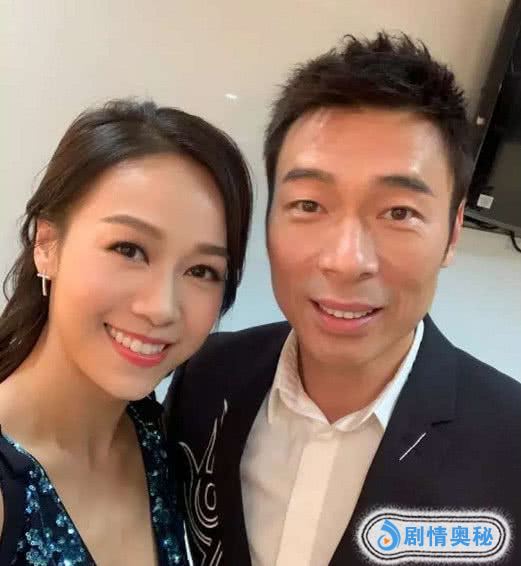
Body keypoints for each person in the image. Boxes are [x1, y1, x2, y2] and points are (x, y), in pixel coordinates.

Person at [165, 33, 521, 565]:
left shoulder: (510, 443)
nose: (346, 260)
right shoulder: (205, 378)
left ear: (451, 234)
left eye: (399, 212)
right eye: (309, 204)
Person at [0, 99, 252, 565]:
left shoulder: (158, 435)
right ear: (47, 245)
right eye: (129, 250)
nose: (161, 308)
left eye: (201, 270)